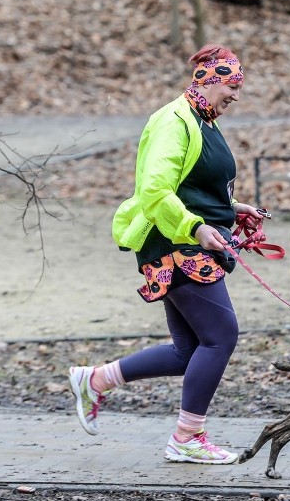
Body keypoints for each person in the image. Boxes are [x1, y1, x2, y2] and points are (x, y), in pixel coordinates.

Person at [68, 44, 263, 465]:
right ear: (210, 80)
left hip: (188, 238)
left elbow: (192, 185)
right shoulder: (175, 121)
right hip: (174, 243)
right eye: (232, 85)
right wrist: (196, 226)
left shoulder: (203, 120)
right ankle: (187, 438)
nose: (236, 95)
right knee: (221, 336)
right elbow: (157, 190)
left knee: (189, 349)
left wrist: (231, 210)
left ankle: (96, 380)